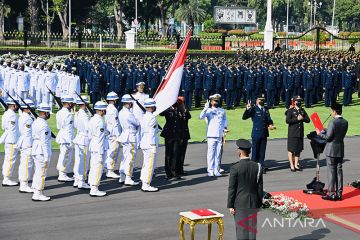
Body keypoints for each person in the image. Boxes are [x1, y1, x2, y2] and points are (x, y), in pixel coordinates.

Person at [227, 139, 263, 240]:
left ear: (239, 151)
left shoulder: (235, 168)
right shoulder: (257, 166)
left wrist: (230, 205)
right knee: (252, 230)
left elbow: (232, 188)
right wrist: (259, 203)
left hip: (240, 203)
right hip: (254, 202)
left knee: (242, 231)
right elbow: (259, 187)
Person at [316, 103, 348, 201]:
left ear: (334, 111)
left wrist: (319, 133)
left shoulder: (333, 122)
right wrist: (325, 129)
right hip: (340, 148)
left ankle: (331, 193)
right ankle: (339, 193)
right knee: (339, 171)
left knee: (331, 171)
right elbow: (336, 132)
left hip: (331, 150)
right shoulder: (345, 122)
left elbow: (328, 137)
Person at [242, 95, 275, 173]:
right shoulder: (253, 109)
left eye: (263, 99)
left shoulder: (266, 109)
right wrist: (247, 109)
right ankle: (254, 167)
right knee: (255, 151)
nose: (262, 101)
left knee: (262, 151)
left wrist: (270, 124)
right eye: (260, 99)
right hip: (256, 133)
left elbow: (268, 119)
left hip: (264, 133)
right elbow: (244, 117)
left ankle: (261, 166)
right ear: (256, 101)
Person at [199, 94, 228, 177]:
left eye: (217, 101)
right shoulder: (208, 111)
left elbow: (224, 120)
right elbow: (200, 117)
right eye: (215, 101)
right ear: (211, 102)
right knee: (211, 154)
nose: (216, 102)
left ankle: (216, 169)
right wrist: (205, 108)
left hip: (219, 135)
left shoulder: (222, 111)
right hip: (211, 135)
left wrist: (225, 127)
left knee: (218, 153)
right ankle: (210, 170)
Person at [31, 103, 52, 201]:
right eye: (48, 113)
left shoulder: (36, 121)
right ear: (44, 112)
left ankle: (35, 188)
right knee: (42, 173)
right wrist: (47, 156)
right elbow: (44, 141)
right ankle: (38, 193)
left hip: (36, 149)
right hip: (41, 151)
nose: (49, 114)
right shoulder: (43, 124)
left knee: (38, 171)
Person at [88, 101, 109, 197]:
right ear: (102, 110)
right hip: (99, 147)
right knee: (97, 168)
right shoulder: (100, 121)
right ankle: (94, 188)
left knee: (93, 167)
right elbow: (100, 138)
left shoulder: (93, 119)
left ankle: (92, 185)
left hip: (93, 145)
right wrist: (100, 153)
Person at [118, 94, 140, 186]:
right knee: (130, 158)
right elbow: (137, 123)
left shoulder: (121, 112)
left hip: (125, 135)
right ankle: (128, 177)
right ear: (128, 103)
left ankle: (122, 176)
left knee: (125, 157)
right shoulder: (129, 114)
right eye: (131, 103)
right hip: (130, 136)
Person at [285, 96, 310, 172]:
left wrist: (303, 118)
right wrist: (297, 119)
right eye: (297, 101)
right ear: (294, 102)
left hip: (300, 133)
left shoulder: (302, 110)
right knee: (291, 149)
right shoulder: (291, 110)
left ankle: (296, 164)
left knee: (298, 150)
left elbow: (308, 120)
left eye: (300, 101)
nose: (299, 102)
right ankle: (291, 165)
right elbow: (287, 120)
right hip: (293, 133)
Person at [139, 98, 159, 192]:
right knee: (150, 165)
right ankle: (146, 184)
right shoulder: (151, 117)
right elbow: (151, 132)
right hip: (150, 143)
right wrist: (153, 145)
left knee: (145, 163)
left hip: (144, 142)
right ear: (151, 107)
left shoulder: (144, 116)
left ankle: (143, 179)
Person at [160, 102, 183, 180]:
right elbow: (161, 113)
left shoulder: (180, 109)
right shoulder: (168, 110)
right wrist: (167, 107)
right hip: (169, 134)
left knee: (175, 154)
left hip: (176, 134)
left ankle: (174, 172)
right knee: (169, 154)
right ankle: (168, 173)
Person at [72, 96, 91, 190]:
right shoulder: (84, 114)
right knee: (84, 162)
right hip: (84, 139)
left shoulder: (77, 113)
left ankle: (76, 179)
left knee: (78, 160)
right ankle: (82, 181)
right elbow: (88, 128)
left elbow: (75, 125)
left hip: (78, 137)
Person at [55, 95, 75, 182]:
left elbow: (59, 126)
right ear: (69, 103)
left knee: (63, 155)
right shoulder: (68, 114)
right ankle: (62, 174)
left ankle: (62, 173)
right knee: (66, 156)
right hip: (67, 138)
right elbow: (69, 129)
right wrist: (70, 140)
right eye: (72, 103)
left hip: (62, 135)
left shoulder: (59, 112)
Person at [0, 98, 20, 186]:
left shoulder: (5, 113)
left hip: (8, 139)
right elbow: (13, 129)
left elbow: (3, 127)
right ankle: (7, 178)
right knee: (10, 159)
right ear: (14, 105)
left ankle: (6, 177)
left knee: (8, 158)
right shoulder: (12, 115)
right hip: (12, 140)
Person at [17, 99, 35, 193]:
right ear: (27, 108)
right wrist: (31, 144)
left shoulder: (22, 116)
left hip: (23, 142)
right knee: (27, 164)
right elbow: (29, 133)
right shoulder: (28, 118)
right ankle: (24, 185)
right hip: (27, 143)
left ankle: (23, 182)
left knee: (24, 163)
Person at [104, 92, 122, 179]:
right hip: (114, 133)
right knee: (113, 152)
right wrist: (118, 135)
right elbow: (115, 123)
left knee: (109, 151)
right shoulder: (114, 109)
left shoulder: (107, 108)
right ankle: (110, 170)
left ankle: (108, 168)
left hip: (109, 132)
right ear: (114, 100)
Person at [177, 96, 191, 176]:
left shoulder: (184, 111)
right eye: (181, 103)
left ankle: (180, 169)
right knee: (177, 154)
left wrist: (185, 111)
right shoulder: (175, 111)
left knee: (182, 153)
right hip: (178, 135)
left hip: (184, 134)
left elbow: (188, 117)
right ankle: (175, 169)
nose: (182, 104)